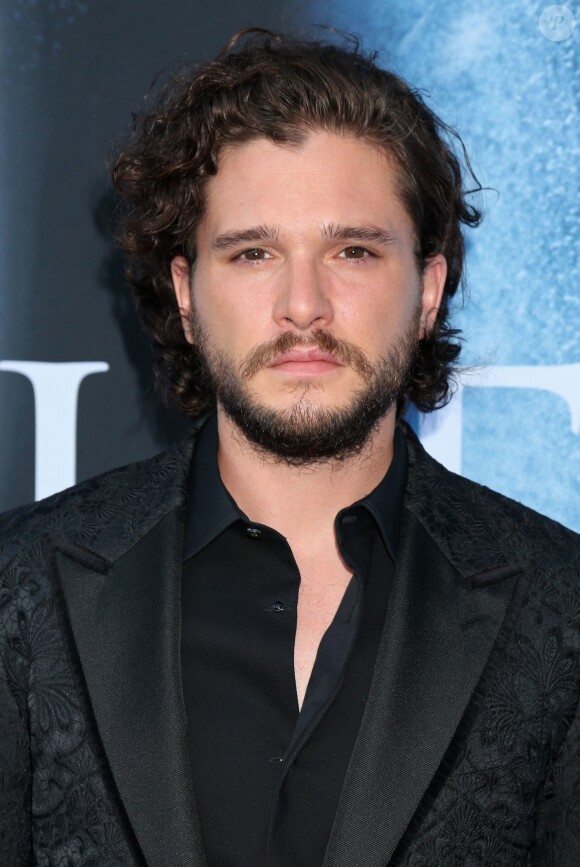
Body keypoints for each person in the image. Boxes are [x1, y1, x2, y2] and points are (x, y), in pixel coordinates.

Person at [1, 29, 579, 867]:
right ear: (186, 293)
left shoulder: (561, 611)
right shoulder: (20, 591)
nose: (302, 305)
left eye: (352, 251)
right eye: (253, 252)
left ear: (427, 289)